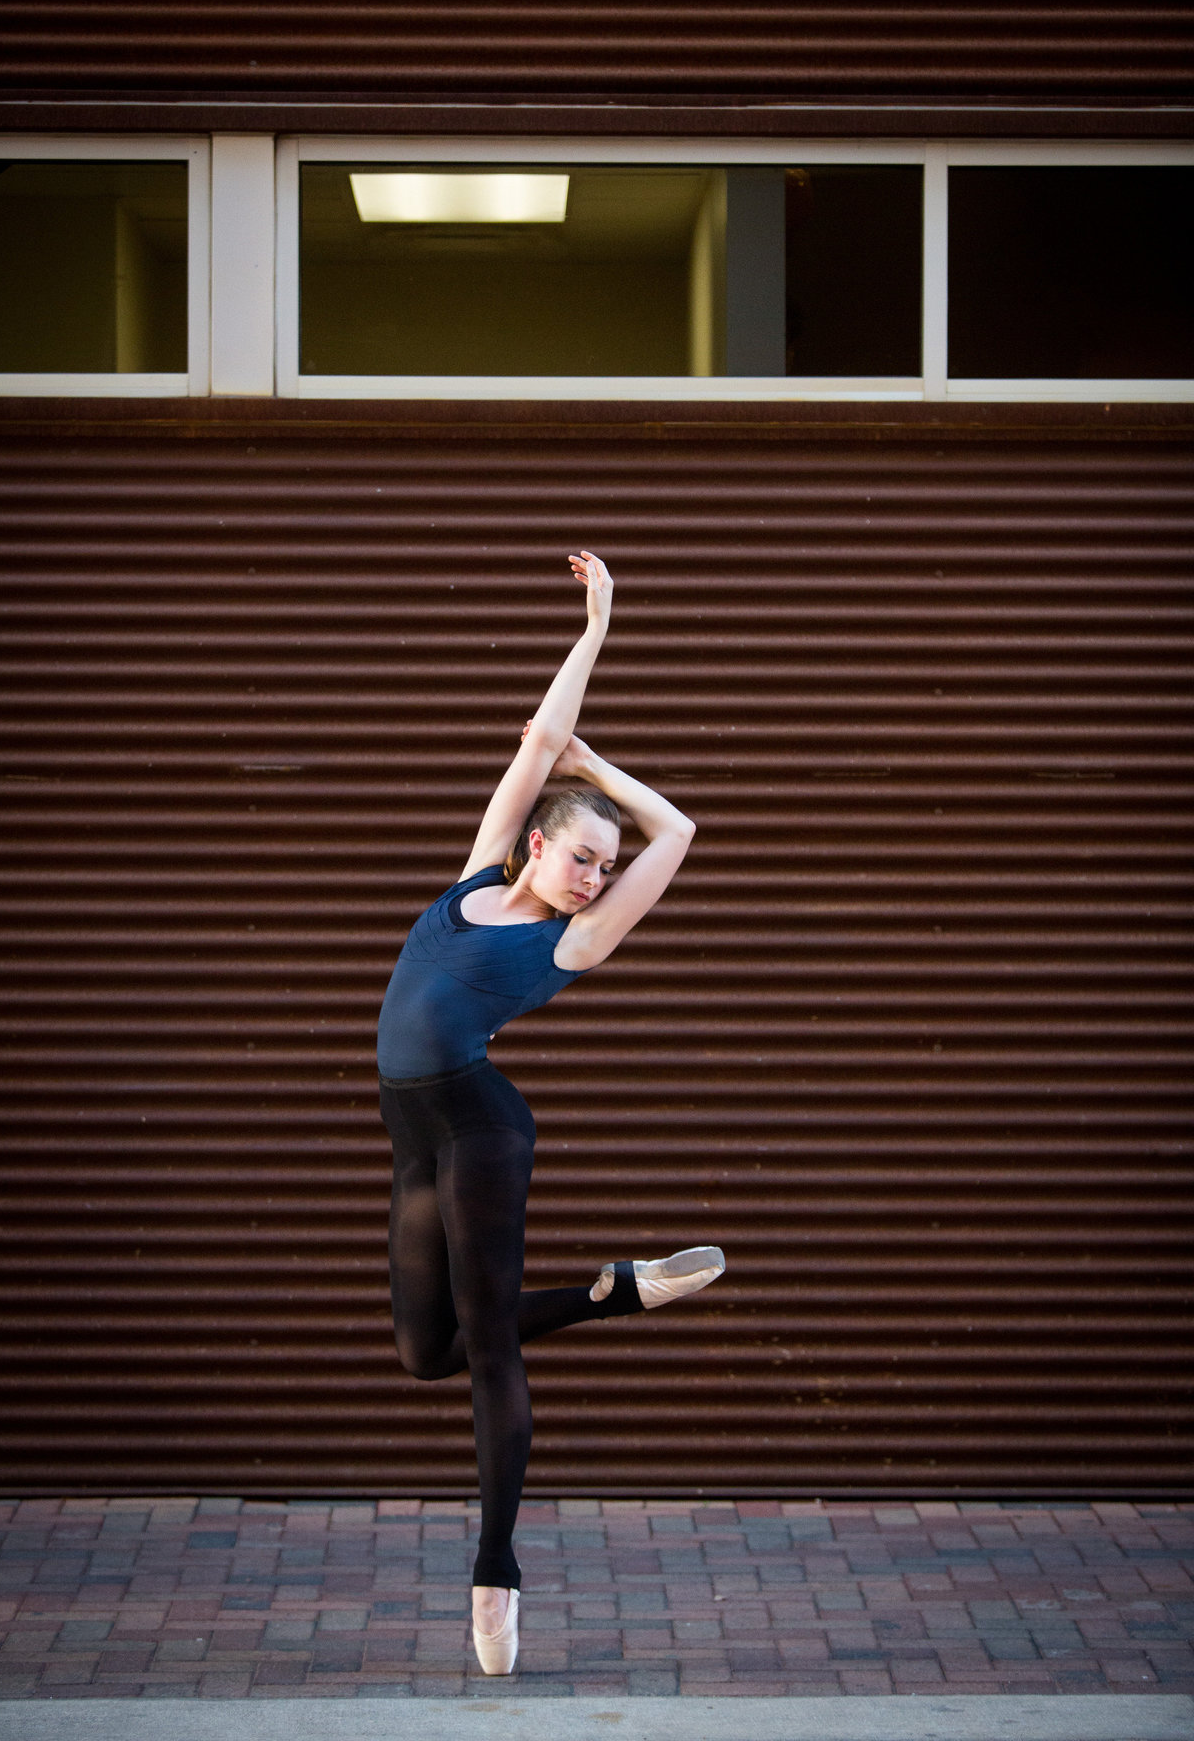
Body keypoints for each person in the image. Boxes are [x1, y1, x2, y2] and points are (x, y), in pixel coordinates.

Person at [376, 551, 725, 1675]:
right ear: (536, 846)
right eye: (580, 858)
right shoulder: (479, 874)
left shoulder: (573, 939)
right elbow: (533, 746)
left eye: (601, 868)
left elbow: (675, 834)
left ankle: (495, 1573)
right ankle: (609, 1293)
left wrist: (604, 769)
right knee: (426, 1351)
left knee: (484, 1356)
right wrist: (596, 625)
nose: (593, 877)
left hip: (481, 1126)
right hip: (415, 1136)